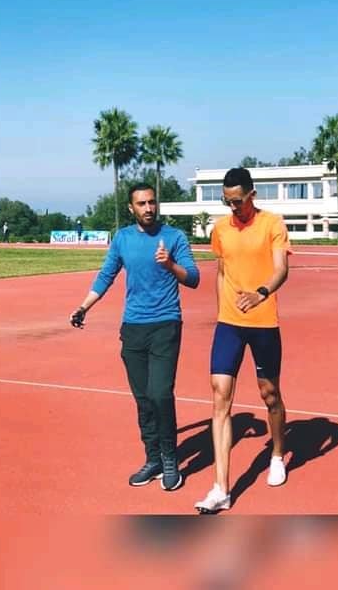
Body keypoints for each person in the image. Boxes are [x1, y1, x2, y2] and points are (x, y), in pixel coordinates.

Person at [69, 183, 200, 491]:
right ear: (132, 208)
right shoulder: (123, 238)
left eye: (152, 202)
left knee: (160, 394)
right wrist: (84, 307)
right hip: (133, 328)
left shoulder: (174, 237)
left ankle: (170, 458)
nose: (148, 208)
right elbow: (106, 275)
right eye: (141, 204)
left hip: (165, 324)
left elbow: (194, 278)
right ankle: (153, 459)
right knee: (143, 399)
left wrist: (170, 265)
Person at [194, 167, 291, 513]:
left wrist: (261, 293)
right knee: (220, 394)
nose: (233, 207)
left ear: (252, 195)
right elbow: (222, 271)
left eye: (237, 201)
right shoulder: (221, 229)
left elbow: (281, 269)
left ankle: (277, 454)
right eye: (227, 202)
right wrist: (222, 311)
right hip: (229, 324)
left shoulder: (272, 224)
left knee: (270, 394)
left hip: (263, 322)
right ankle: (221, 489)